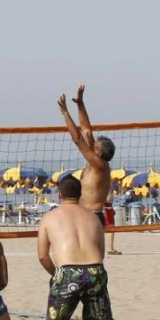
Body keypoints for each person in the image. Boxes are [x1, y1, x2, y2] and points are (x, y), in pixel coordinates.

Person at [39, 175, 147, 320]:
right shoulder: (93, 217)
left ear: (59, 194)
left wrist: (57, 275)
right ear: (80, 194)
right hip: (95, 271)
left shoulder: (49, 218)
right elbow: (101, 252)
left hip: (67, 272)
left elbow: (43, 256)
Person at [56, 85, 116, 229]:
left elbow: (78, 139)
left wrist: (65, 113)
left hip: (92, 215)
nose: (92, 145)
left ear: (99, 153)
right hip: (84, 214)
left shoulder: (99, 165)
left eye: (95, 146)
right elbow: (86, 131)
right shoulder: (96, 162)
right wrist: (80, 104)